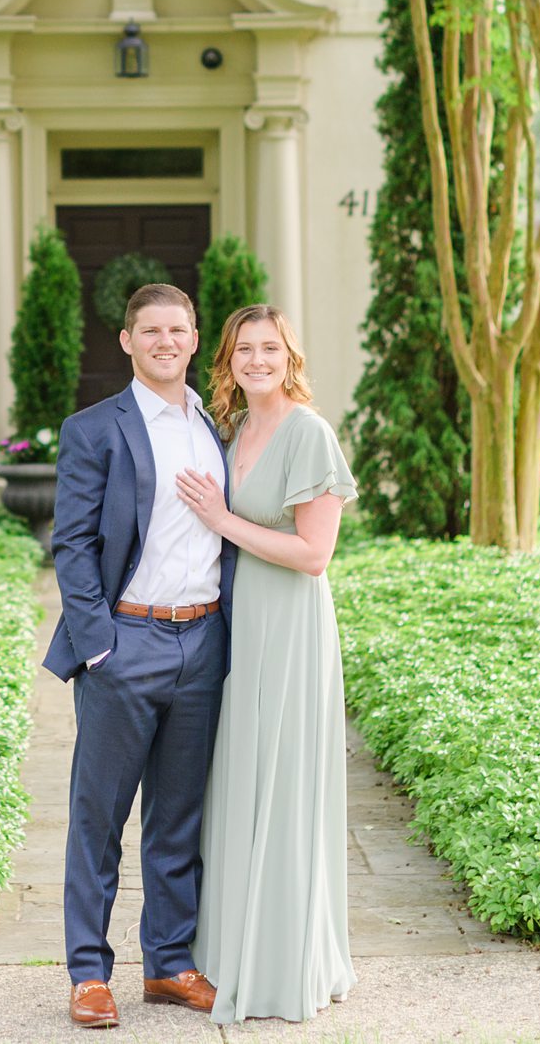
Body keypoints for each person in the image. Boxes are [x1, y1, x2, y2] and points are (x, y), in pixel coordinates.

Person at [44, 283, 236, 1030]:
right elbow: (73, 544)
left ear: (194, 340)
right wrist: (100, 648)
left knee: (178, 814)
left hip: (204, 638)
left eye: (178, 329)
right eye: (149, 329)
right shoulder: (95, 428)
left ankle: (169, 963)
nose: (165, 340)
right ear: (126, 341)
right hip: (127, 641)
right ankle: (89, 974)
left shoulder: (218, 425)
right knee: (99, 818)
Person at [175, 303, 358, 1024]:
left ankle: (283, 967)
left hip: (290, 626)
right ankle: (233, 952)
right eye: (244, 347)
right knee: (241, 780)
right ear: (228, 359)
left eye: (269, 347)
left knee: (282, 782)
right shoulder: (236, 430)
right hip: (241, 624)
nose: (257, 358)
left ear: (290, 358)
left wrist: (223, 521)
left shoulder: (308, 433)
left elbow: (315, 555)